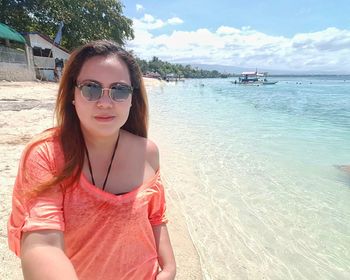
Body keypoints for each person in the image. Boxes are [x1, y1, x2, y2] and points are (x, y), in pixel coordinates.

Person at [8, 40, 176, 280]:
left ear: (131, 98)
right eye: (91, 88)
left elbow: (156, 217)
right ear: (73, 95)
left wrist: (169, 268)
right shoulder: (47, 155)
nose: (105, 102)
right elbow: (42, 244)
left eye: (118, 90)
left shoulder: (148, 152)